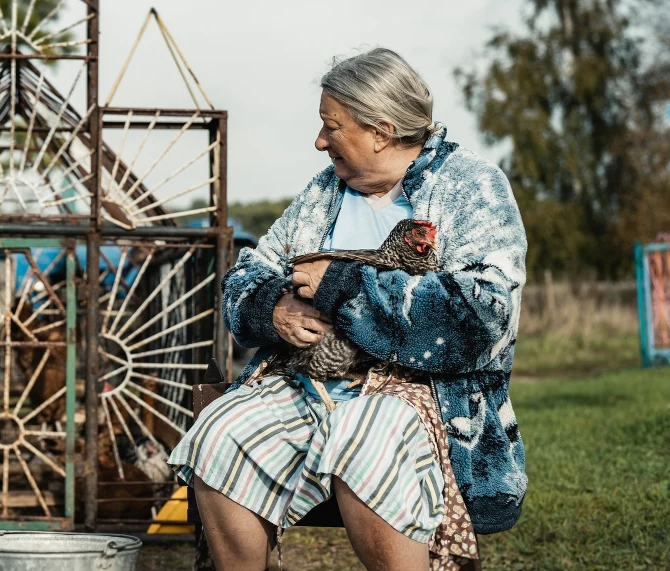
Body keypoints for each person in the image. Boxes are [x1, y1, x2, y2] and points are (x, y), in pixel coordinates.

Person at [169, 48, 528, 570]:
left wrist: (341, 286)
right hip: (308, 383)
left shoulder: (471, 186)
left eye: (330, 126)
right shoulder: (325, 194)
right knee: (222, 431)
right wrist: (273, 309)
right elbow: (247, 274)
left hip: (424, 395)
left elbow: (482, 317)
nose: (319, 142)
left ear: (381, 131)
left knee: (365, 435)